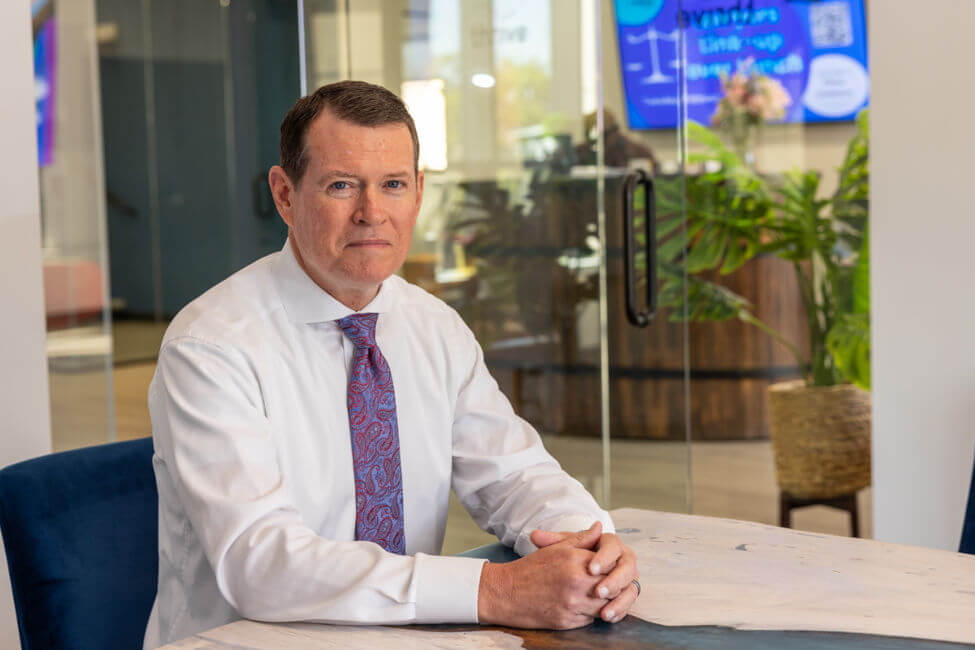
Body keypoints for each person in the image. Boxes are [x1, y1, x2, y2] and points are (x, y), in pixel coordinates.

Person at [143, 80, 639, 649]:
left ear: (419, 193)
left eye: (393, 185)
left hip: (406, 635)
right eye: (341, 186)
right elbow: (261, 562)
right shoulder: (210, 347)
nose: (371, 213)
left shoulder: (433, 326)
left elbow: (514, 474)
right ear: (284, 194)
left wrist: (590, 546)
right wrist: (493, 590)